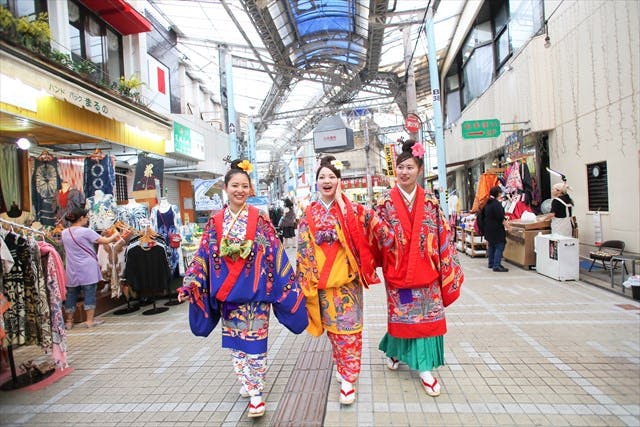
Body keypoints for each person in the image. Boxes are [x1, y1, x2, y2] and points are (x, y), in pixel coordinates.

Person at [178, 159, 308, 419]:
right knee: (237, 346)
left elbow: (275, 253)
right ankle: (248, 383)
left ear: (250, 190)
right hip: (230, 298)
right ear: (225, 188)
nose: (239, 190)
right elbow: (203, 255)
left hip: (256, 295)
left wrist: (288, 285)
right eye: (234, 185)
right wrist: (191, 283)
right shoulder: (215, 222)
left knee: (256, 345)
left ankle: (256, 392)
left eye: (244, 186)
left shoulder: (260, 220)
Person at [296, 155, 391, 405]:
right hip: (323, 284)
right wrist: (305, 281)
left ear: (339, 181)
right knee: (333, 331)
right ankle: (341, 365)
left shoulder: (354, 209)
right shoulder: (309, 213)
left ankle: (349, 379)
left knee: (350, 332)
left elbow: (381, 230)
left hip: (348, 283)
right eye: (322, 177)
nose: (326, 181)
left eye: (331, 177)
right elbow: (304, 249)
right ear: (316, 183)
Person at [374, 140, 464, 398]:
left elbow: (443, 234)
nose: (404, 172)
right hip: (399, 272)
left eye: (409, 167)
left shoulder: (432, 202)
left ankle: (424, 368)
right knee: (404, 317)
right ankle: (394, 351)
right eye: (400, 167)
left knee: (426, 320)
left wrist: (445, 264)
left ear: (419, 169)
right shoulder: (384, 202)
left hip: (427, 273)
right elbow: (374, 236)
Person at [61, 207, 122, 329]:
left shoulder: (64, 233)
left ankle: (68, 322)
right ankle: (89, 321)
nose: (87, 219)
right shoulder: (86, 231)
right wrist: (116, 233)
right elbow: (105, 241)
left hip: (72, 268)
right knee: (89, 293)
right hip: (87, 267)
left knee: (71, 294)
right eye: (86, 217)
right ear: (81, 218)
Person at [482, 186, 510, 272]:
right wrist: (508, 227)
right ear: (498, 193)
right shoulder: (496, 204)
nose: (501, 194)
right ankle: (496, 265)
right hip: (496, 229)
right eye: (500, 192)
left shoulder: (488, 203)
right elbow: (501, 217)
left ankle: (491, 263)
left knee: (492, 245)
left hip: (488, 228)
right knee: (500, 245)